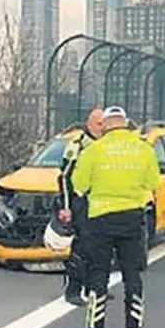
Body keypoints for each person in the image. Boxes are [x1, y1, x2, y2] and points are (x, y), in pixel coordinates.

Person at [70, 106, 159, 328]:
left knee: (99, 272)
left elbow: (78, 185)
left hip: (101, 218)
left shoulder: (93, 150)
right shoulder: (143, 149)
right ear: (125, 123)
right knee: (132, 273)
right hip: (132, 217)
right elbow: (152, 183)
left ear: (106, 125)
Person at [57, 108, 106, 306]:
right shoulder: (78, 144)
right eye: (98, 124)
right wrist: (66, 207)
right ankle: (73, 290)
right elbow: (64, 177)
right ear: (89, 123)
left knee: (100, 248)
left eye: (104, 124)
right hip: (81, 203)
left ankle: (94, 288)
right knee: (81, 248)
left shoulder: (105, 145)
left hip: (102, 203)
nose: (102, 129)